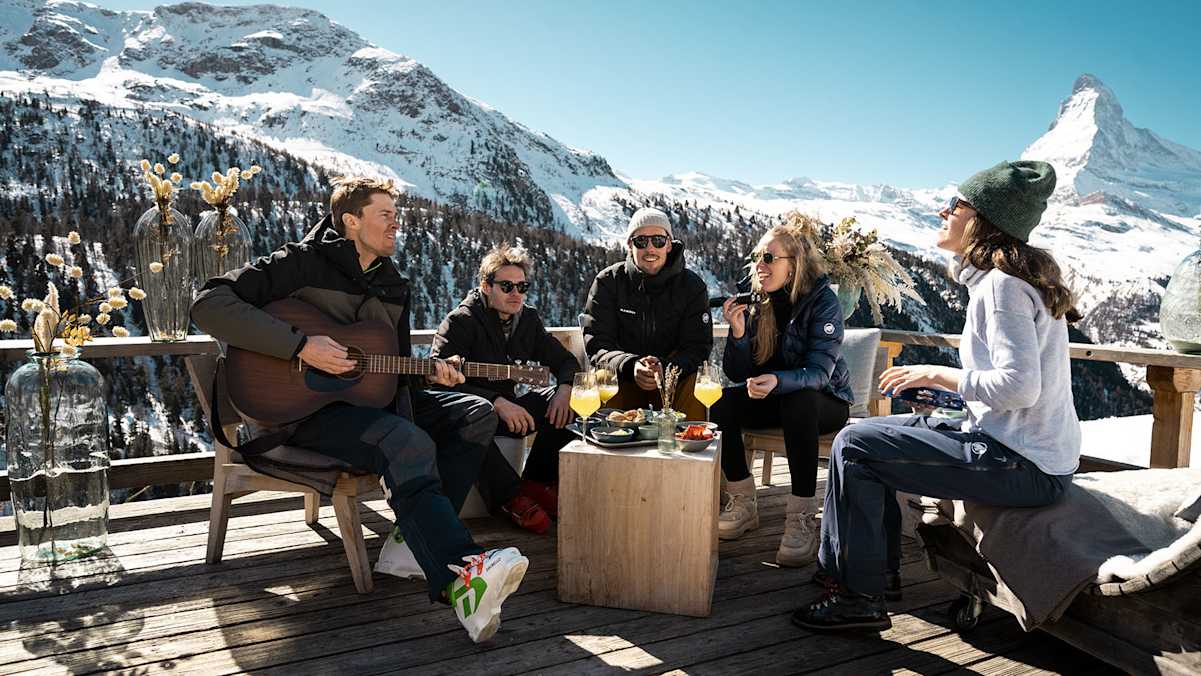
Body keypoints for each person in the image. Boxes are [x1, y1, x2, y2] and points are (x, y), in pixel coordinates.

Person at [191, 177, 527, 643]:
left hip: (365, 404)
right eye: (384, 214)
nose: (396, 223)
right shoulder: (300, 263)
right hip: (301, 415)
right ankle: (461, 576)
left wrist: (429, 372)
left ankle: (411, 544)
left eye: (396, 213)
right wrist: (300, 346)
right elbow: (208, 304)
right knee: (403, 439)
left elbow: (389, 366)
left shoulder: (392, 284)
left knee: (474, 414)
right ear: (351, 221)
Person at [794, 160, 1081, 632]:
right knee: (861, 433)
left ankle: (857, 596)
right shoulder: (1007, 281)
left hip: (1022, 464)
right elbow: (1013, 392)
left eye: (954, 205)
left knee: (855, 449)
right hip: (1019, 448)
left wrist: (939, 375)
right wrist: (946, 401)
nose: (942, 212)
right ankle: (866, 576)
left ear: (983, 219)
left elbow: (1020, 386)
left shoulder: (1002, 287)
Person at [711, 223, 853, 566]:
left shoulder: (823, 302)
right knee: (720, 403)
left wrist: (776, 380)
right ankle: (744, 502)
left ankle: (801, 517)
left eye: (768, 257)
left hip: (826, 401)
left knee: (799, 400)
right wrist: (740, 334)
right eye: (756, 257)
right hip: (778, 396)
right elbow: (738, 374)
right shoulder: (758, 301)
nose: (759, 265)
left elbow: (820, 373)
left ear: (795, 263)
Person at [431, 243, 580, 532]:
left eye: (522, 287)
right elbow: (439, 383)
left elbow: (565, 361)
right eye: (507, 286)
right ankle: (511, 497)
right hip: (472, 415)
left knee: (571, 400)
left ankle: (536, 481)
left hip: (511, 412)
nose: (516, 294)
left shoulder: (527, 319)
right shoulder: (461, 321)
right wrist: (496, 401)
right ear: (486, 286)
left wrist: (564, 388)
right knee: (476, 418)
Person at [580, 207, 712, 420]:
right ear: (630, 244)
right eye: (641, 241)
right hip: (622, 380)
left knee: (697, 382)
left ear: (669, 244)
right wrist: (631, 365)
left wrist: (665, 368)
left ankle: (690, 444)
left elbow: (698, 347)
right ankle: (604, 445)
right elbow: (598, 343)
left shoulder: (692, 287)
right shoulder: (608, 283)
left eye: (658, 240)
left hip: (673, 384)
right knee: (601, 378)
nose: (650, 248)